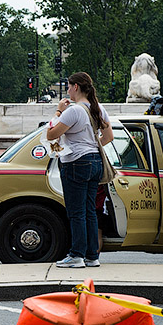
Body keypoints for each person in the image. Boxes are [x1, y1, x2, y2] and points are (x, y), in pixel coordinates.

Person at [47, 72, 113, 268]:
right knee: (90, 210)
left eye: (68, 86)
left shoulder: (73, 111)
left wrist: (58, 111)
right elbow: (108, 136)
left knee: (76, 212)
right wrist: (91, 145)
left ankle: (76, 254)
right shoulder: (98, 108)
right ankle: (92, 256)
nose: (67, 90)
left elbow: (51, 134)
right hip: (94, 161)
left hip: (76, 162)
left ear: (76, 87)